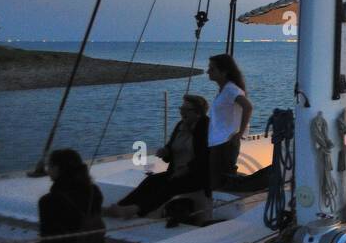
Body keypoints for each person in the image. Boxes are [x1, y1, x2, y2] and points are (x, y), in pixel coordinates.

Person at [104, 94, 210, 219]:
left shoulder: (205, 126)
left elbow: (205, 157)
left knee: (170, 185)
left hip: (197, 176)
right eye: (181, 109)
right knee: (151, 180)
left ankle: (134, 210)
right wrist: (166, 152)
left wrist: (186, 169)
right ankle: (120, 206)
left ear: (198, 113)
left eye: (186, 109)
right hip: (176, 172)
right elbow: (170, 149)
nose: (182, 112)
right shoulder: (180, 125)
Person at [15, 149, 107, 243]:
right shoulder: (94, 191)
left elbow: (49, 240)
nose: (47, 170)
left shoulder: (48, 201)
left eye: (50, 166)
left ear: (58, 169)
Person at [207, 53, 253, 192]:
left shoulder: (231, 89)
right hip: (218, 141)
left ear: (224, 72)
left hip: (225, 142)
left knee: (221, 181)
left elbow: (248, 107)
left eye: (212, 68)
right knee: (216, 180)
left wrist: (240, 133)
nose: (208, 71)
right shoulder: (224, 90)